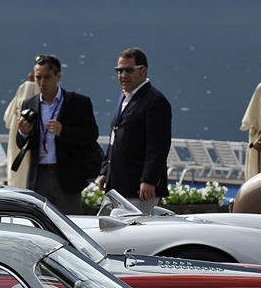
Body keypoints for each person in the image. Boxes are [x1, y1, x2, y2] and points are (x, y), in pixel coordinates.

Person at [15, 54, 99, 215]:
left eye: (47, 77)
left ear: (58, 76)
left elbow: (91, 134)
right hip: (38, 176)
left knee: (72, 223)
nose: (42, 83)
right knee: (39, 225)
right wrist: (23, 132)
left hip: (67, 177)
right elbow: (21, 143)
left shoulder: (78, 103)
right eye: (38, 77)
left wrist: (64, 131)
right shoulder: (29, 104)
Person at [97, 47, 172, 211]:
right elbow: (114, 137)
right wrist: (105, 171)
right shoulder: (124, 97)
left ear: (143, 70)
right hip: (117, 187)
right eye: (119, 70)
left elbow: (158, 146)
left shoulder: (155, 101)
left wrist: (149, 180)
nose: (123, 75)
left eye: (129, 70)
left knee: (132, 235)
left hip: (139, 189)